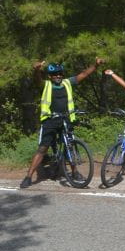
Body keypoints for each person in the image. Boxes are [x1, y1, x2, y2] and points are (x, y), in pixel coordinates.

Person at [21, 59, 102, 188]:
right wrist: (36, 70)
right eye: (55, 74)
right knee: (43, 148)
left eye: (60, 74)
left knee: (70, 146)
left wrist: (96, 65)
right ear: (50, 76)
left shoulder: (67, 83)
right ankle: (29, 176)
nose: (58, 76)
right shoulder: (46, 85)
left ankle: (74, 172)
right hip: (50, 121)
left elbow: (84, 74)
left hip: (66, 119)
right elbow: (37, 80)